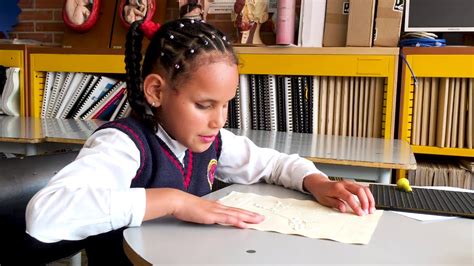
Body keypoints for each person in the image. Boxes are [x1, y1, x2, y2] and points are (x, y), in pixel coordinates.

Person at [26, 18, 376, 265]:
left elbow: (272, 163)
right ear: (156, 91)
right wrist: (173, 201)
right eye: (204, 105)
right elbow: (45, 215)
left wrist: (316, 181)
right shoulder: (123, 145)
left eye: (225, 105)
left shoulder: (209, 139)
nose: (219, 120)